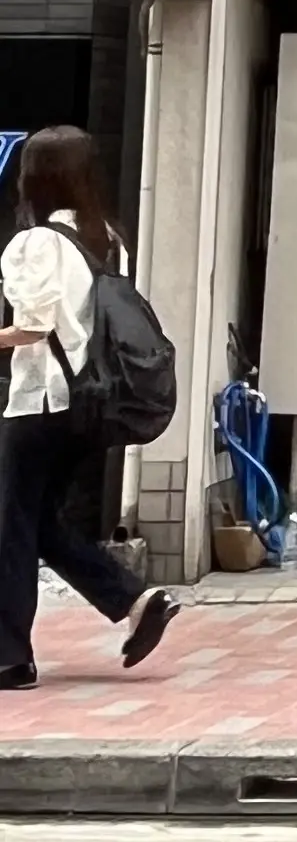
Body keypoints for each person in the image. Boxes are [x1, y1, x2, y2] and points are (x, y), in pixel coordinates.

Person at [0, 127, 175, 688]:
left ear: (33, 177)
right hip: (88, 408)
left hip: (40, 404)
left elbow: (31, 327)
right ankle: (134, 599)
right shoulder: (106, 239)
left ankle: (9, 658)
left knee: (10, 527)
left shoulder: (37, 243)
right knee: (38, 522)